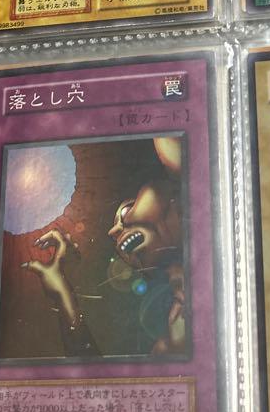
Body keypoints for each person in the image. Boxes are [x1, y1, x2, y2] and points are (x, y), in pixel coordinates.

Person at [19, 136, 186, 358]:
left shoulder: (197, 177)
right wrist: (62, 293)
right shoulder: (178, 330)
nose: (113, 232)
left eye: (125, 211)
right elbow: (95, 378)